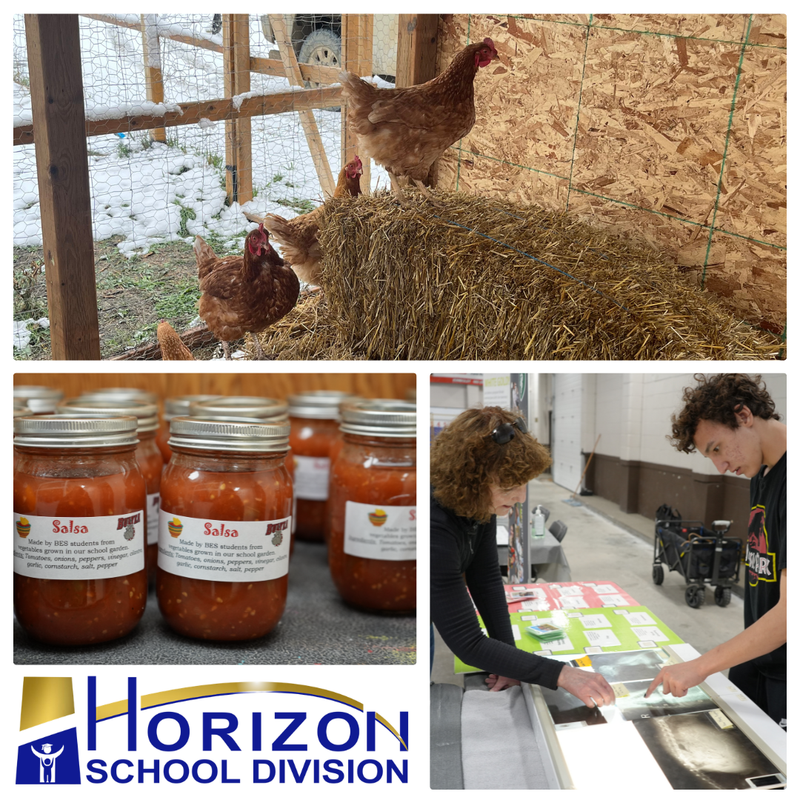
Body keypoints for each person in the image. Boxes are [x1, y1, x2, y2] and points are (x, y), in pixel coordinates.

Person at [430, 406, 615, 708]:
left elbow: (487, 580)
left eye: (524, 483)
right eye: (509, 487)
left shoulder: (478, 505)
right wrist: (562, 675)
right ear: (469, 482)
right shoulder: (433, 525)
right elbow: (467, 642)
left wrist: (508, 663)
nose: (521, 498)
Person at [646, 374, 786, 729]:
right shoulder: (762, 472)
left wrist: (700, 665)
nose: (721, 467)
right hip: (760, 659)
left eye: (717, 449)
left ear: (743, 416)